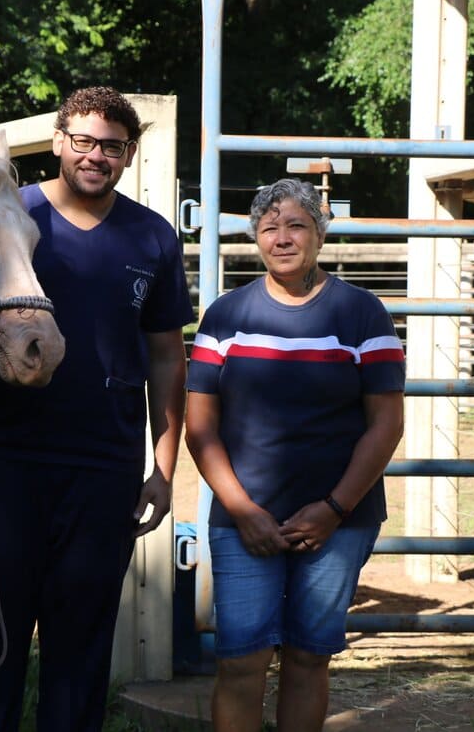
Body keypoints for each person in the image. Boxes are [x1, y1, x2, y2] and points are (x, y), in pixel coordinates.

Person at [0, 86, 194, 731]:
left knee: (80, 654)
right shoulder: (5, 214)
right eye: (83, 140)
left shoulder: (153, 237)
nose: (95, 155)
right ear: (57, 141)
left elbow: (165, 358)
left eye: (112, 145)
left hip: (103, 470)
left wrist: (163, 467)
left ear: (129, 154)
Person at [184, 179, 405, 731]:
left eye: (296, 225)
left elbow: (386, 424)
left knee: (309, 657)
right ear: (256, 239)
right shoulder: (225, 316)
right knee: (241, 660)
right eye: (268, 228)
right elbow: (200, 427)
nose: (281, 238)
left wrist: (333, 508)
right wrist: (242, 511)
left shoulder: (362, 314)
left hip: (339, 520)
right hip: (243, 519)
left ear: (319, 233)